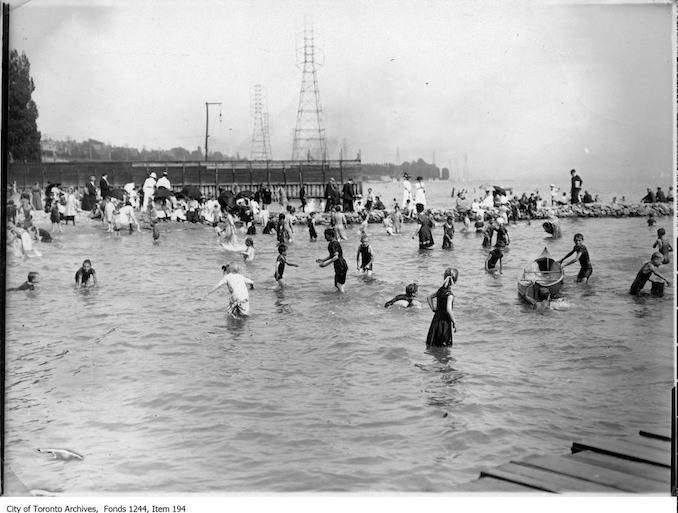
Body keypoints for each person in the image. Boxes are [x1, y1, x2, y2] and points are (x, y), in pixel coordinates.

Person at [425, 268, 457, 347]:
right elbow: (449, 309)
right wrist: (454, 321)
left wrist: (433, 308)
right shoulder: (449, 295)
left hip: (436, 320)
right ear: (455, 281)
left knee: (433, 342)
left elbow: (429, 297)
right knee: (443, 344)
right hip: (444, 322)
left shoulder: (440, 290)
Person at [316, 228, 348, 293]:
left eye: (326, 235)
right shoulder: (334, 242)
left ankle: (343, 297)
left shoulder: (333, 244)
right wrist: (323, 260)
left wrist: (326, 264)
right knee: (337, 284)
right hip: (341, 265)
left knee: (339, 284)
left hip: (340, 266)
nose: (325, 238)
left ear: (330, 235)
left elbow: (336, 257)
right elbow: (332, 255)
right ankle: (340, 297)